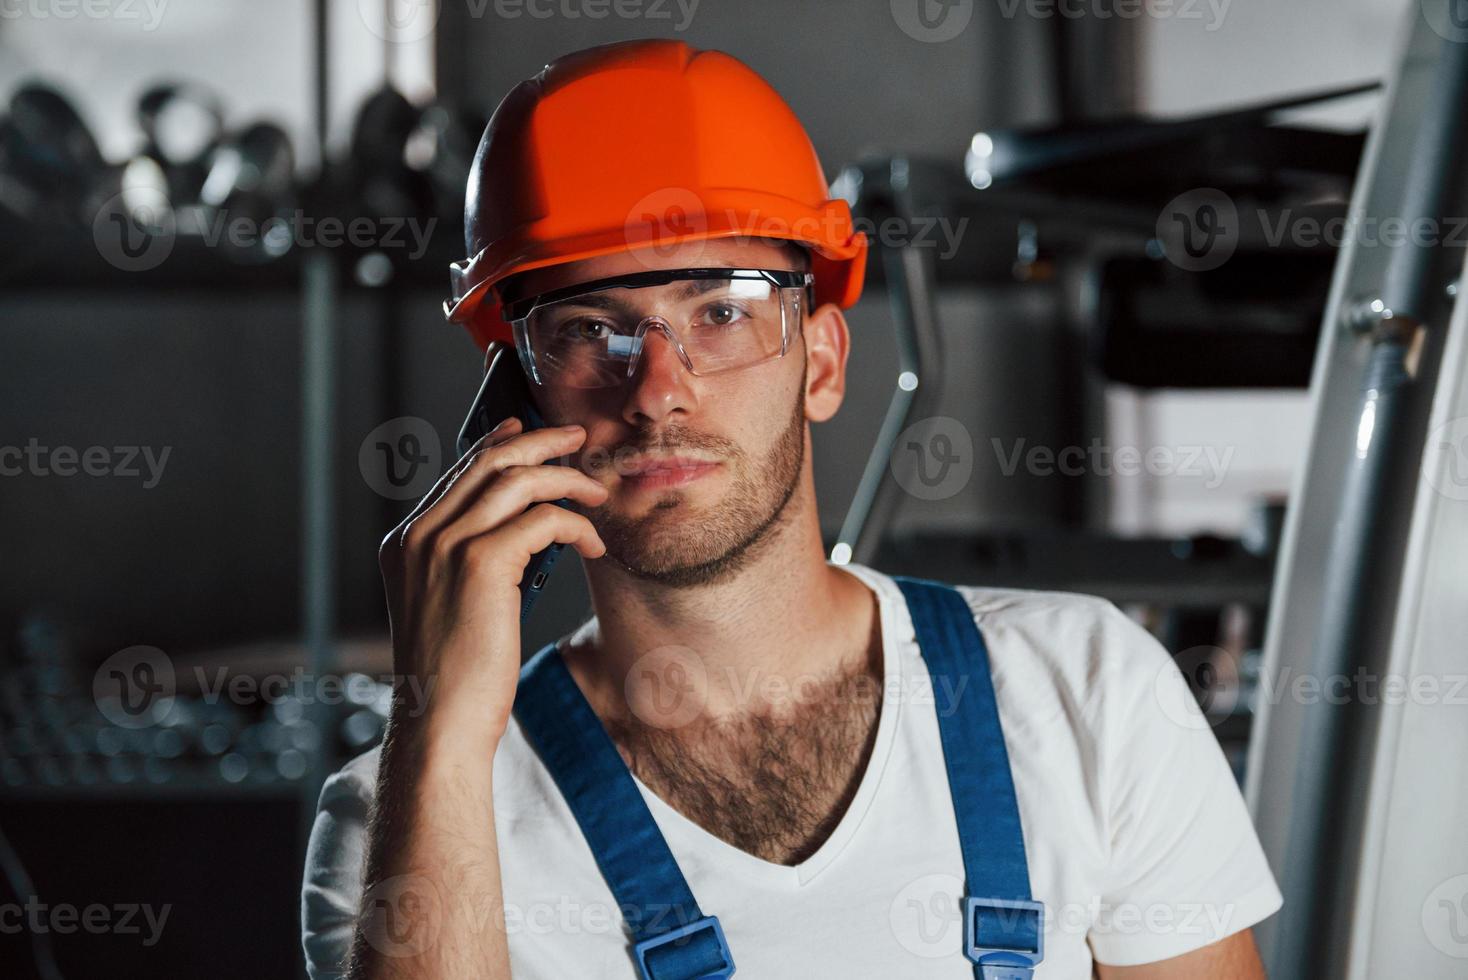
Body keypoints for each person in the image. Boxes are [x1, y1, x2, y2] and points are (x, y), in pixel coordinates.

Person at [301, 38, 1281, 980]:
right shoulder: (417, 815)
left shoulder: (1090, 694)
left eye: (720, 310)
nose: (656, 389)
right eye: (588, 330)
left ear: (822, 360)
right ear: (516, 395)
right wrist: (437, 719)